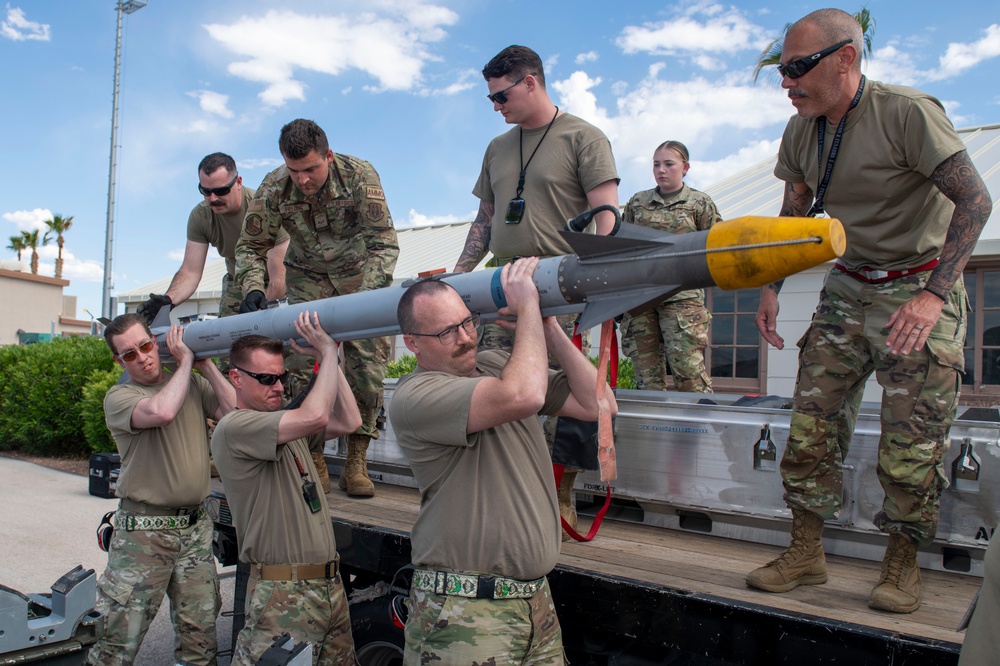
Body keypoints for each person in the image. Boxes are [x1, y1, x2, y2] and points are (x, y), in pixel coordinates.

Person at [745, 8, 992, 614]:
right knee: (810, 428)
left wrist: (935, 295)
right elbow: (793, 218)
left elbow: (976, 200)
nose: (787, 82)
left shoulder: (907, 114)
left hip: (916, 290)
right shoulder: (800, 130)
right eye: (783, 70)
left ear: (846, 58)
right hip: (847, 288)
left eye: (799, 68)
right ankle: (806, 554)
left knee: (910, 444)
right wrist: (771, 285)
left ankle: (901, 566)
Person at [390, 258, 618, 663]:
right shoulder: (415, 395)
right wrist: (529, 304)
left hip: (534, 604)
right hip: (463, 612)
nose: (464, 338)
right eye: (446, 332)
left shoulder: (497, 367)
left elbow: (599, 404)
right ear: (412, 342)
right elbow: (523, 396)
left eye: (467, 322)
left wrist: (548, 329)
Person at [453, 44, 620, 536]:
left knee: (560, 400)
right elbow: (485, 221)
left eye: (501, 96)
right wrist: (459, 276)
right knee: (493, 389)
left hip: (560, 287)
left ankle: (558, 498)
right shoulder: (498, 148)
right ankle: (500, 499)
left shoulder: (584, 138)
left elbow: (605, 219)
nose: (497, 107)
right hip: (501, 286)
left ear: (531, 82)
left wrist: (591, 286)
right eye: (490, 100)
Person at [235, 119, 398, 498]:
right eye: (295, 170)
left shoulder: (359, 175)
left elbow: (383, 242)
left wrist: (367, 298)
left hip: (358, 276)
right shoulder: (276, 185)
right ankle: (313, 453)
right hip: (307, 276)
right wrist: (253, 287)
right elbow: (250, 246)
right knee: (301, 362)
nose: (303, 179)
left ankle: (357, 459)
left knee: (366, 366)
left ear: (328, 154)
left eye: (310, 169)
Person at [211, 312, 362, 665]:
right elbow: (316, 416)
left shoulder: (281, 428)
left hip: (328, 587)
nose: (278, 387)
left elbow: (350, 420)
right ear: (236, 378)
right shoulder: (236, 427)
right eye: (266, 379)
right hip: (283, 593)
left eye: (281, 378)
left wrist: (331, 363)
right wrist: (326, 353)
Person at [88, 313, 236, 665]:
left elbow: (237, 412)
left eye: (145, 345)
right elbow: (162, 411)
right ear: (118, 360)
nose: (142, 357)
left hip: (195, 530)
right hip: (144, 535)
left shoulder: (193, 385)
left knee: (200, 641)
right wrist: (185, 363)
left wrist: (207, 367)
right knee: (116, 642)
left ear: (155, 342)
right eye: (129, 354)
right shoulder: (120, 396)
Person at [136, 152, 289, 323]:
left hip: (279, 280)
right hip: (237, 282)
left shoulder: (265, 208)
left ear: (238, 182)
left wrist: (257, 309)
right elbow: (190, 272)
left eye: (221, 191)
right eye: (206, 191)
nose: (213, 198)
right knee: (231, 339)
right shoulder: (201, 216)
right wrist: (168, 301)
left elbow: (279, 277)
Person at [619, 140, 721, 393]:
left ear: (685, 167)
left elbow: (717, 247)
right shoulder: (637, 203)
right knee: (647, 379)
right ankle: (653, 430)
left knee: (688, 374)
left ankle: (699, 428)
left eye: (669, 164)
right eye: (656, 164)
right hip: (641, 298)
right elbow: (621, 246)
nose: (661, 170)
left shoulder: (699, 203)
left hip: (681, 299)